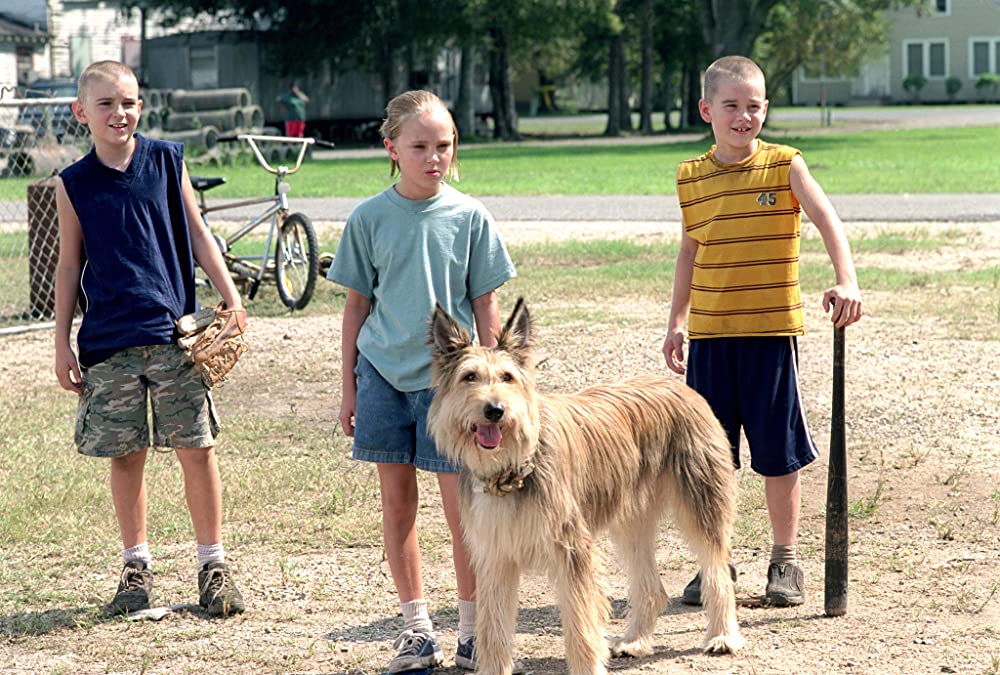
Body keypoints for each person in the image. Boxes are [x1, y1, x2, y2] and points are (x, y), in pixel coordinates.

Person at [662, 55, 862, 608]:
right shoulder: (691, 177)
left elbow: (827, 218)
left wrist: (847, 280)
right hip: (710, 338)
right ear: (707, 110)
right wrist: (676, 322)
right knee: (709, 460)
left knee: (778, 452)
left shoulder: (785, 164)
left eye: (754, 106)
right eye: (732, 106)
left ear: (766, 109)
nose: (744, 117)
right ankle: (714, 561)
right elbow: (689, 251)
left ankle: (785, 562)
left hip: (770, 336)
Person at [327, 90, 516, 673]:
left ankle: (471, 629)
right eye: (419, 147)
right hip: (383, 376)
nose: (433, 157)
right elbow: (356, 308)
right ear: (391, 149)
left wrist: (498, 388)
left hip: (452, 389)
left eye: (443, 145)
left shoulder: (470, 216)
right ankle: (416, 629)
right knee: (397, 504)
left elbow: (488, 308)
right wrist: (349, 387)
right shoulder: (369, 218)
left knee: (464, 510)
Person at [53, 60, 246, 617]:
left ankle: (213, 567)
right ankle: (135, 571)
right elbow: (69, 267)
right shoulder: (73, 184)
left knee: (196, 448)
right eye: (107, 103)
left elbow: (197, 232)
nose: (120, 113)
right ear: (81, 112)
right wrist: (61, 342)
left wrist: (230, 297)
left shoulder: (165, 160)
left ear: (142, 106)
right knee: (127, 455)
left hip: (173, 336)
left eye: (130, 102)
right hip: (109, 341)